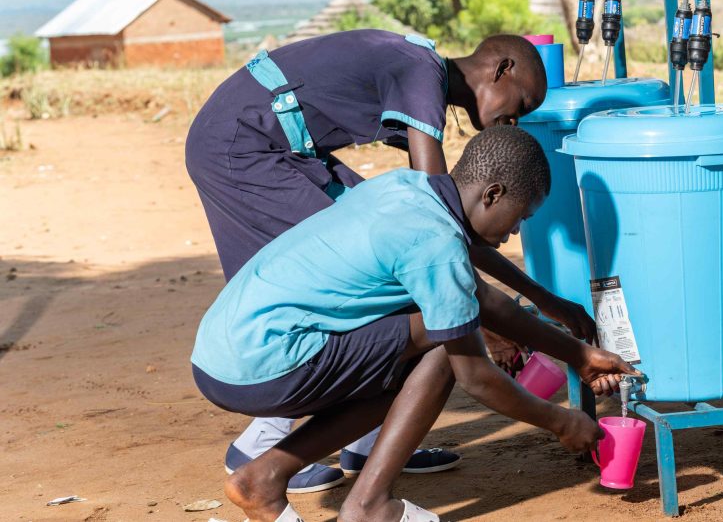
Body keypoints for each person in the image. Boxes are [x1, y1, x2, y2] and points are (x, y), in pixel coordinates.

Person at [185, 30, 597, 492]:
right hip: (243, 144)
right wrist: (495, 314)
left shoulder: (422, 77)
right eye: (521, 103)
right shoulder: (420, 72)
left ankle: (367, 442)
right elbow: (440, 225)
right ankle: (263, 445)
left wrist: (533, 303)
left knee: (384, 274)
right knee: (373, 283)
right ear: (502, 69)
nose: (515, 120)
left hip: (290, 151)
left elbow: (449, 220)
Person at [191, 126, 635, 522]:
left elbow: (480, 297)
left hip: (220, 350)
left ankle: (264, 478)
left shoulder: (408, 189)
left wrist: (578, 354)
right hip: (263, 365)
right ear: (493, 194)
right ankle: (369, 506)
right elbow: (476, 378)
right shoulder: (436, 244)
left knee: (437, 327)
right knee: (446, 345)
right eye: (521, 217)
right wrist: (561, 421)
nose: (516, 231)